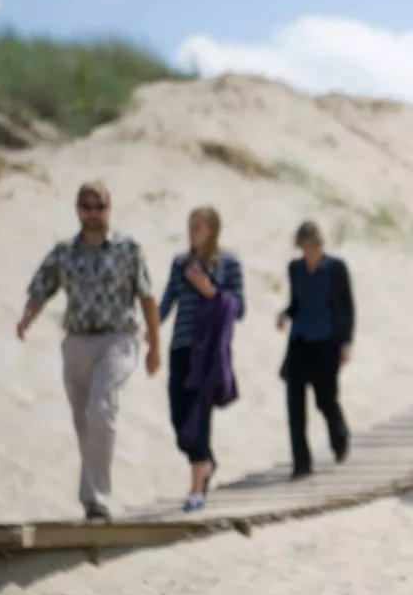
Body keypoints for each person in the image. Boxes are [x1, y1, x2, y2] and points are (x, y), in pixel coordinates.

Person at [17, 180, 160, 522]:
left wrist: (155, 343)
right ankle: (91, 499)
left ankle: (98, 498)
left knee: (101, 408)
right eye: (87, 207)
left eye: (100, 207)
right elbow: (42, 288)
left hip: (118, 339)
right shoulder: (64, 251)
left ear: (110, 209)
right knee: (84, 421)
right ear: (78, 209)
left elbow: (146, 295)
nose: (93, 213)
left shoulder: (128, 248)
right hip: (77, 341)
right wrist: (27, 318)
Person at [157, 206, 246, 511]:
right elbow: (168, 299)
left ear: (212, 230)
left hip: (208, 350)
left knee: (199, 416)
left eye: (198, 227)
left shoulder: (229, 263)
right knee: (178, 418)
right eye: (190, 226)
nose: (192, 232)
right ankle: (206, 461)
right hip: (180, 347)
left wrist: (208, 289)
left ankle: (196, 489)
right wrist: (151, 327)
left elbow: (240, 307)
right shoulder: (180, 262)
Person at [278, 220, 355, 476]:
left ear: (319, 244)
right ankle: (301, 463)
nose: (308, 251)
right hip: (299, 341)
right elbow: (295, 303)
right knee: (294, 404)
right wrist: (285, 315)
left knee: (325, 399)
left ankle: (339, 436)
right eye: (303, 246)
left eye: (311, 245)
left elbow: (346, 308)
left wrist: (345, 342)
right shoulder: (295, 269)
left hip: (326, 342)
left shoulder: (335, 268)